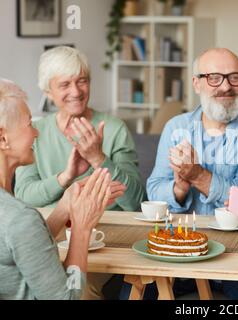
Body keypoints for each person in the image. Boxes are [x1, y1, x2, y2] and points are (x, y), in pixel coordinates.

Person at [124, 48, 238, 300]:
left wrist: (197, 176)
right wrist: (179, 189)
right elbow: (154, 188)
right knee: (133, 295)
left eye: (234, 77)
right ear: (196, 83)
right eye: (214, 78)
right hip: (180, 249)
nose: (226, 86)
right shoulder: (176, 127)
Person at [14, 46, 146, 299]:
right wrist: (65, 177)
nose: (76, 92)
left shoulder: (115, 128)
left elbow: (137, 201)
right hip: (47, 236)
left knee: (82, 290)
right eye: (65, 84)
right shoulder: (35, 133)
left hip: (106, 237)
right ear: (48, 92)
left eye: (82, 81)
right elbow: (24, 196)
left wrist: (99, 158)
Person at [0, 79, 112, 299]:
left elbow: (23, 247)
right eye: (30, 124)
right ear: (3, 138)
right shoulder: (19, 218)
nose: (36, 133)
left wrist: (64, 208)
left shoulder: (12, 215)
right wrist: (81, 228)